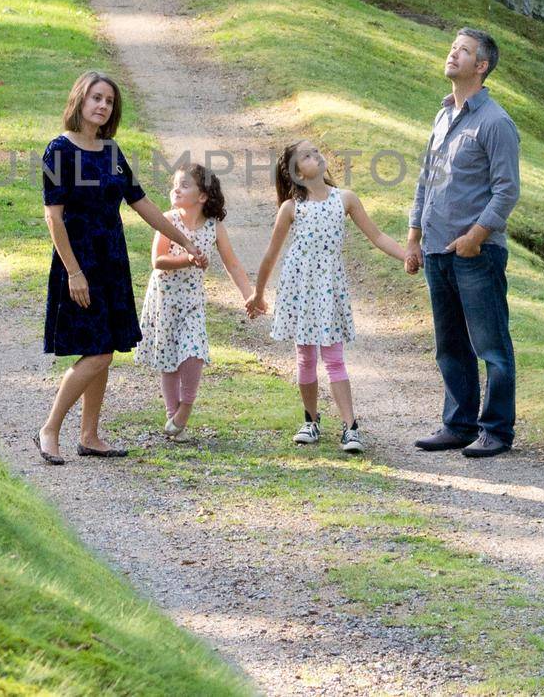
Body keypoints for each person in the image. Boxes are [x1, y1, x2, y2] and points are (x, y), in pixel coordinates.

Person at [36, 71, 207, 465]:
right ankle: (49, 428)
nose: (102, 105)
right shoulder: (57, 151)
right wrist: (74, 272)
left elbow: (141, 203)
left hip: (111, 262)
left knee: (105, 349)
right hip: (78, 263)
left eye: (109, 101)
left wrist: (184, 240)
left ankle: (90, 435)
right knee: (97, 355)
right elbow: (53, 218)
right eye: (96, 97)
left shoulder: (111, 152)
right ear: (79, 99)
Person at [405, 28, 521, 459]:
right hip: (436, 251)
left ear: (482, 66)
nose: (453, 54)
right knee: (450, 346)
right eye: (453, 47)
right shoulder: (442, 116)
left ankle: (496, 431)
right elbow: (426, 181)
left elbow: (506, 191)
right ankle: (458, 425)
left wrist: (476, 237)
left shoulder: (496, 123)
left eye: (464, 51)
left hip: (476, 254)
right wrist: (415, 237)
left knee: (490, 346)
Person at [246, 140, 407, 454]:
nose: (315, 156)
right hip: (301, 289)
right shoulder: (291, 208)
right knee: (305, 358)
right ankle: (310, 420)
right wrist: (259, 293)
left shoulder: (345, 199)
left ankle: (350, 427)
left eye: (316, 151)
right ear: (296, 174)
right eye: (306, 156)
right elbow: (270, 255)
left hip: (329, 289)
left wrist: (406, 256)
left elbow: (377, 236)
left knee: (334, 359)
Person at [136, 164, 254, 440]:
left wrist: (249, 295)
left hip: (192, 302)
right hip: (164, 300)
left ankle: (185, 408)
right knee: (169, 360)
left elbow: (233, 264)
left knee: (194, 352)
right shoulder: (167, 221)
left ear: (202, 196)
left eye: (184, 185)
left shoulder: (213, 227)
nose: (176, 189)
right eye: (175, 184)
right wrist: (187, 259)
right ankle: (172, 417)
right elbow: (158, 261)